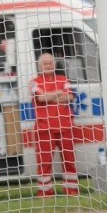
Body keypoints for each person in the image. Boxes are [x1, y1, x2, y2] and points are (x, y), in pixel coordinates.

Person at [30, 53, 79, 197]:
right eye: (45, 64)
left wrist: (50, 96)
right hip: (45, 127)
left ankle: (71, 190)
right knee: (44, 162)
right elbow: (41, 97)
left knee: (69, 160)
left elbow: (69, 96)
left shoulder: (64, 79)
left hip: (65, 125)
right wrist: (58, 93)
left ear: (55, 64)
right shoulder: (34, 82)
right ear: (39, 66)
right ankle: (45, 192)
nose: (48, 66)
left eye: (50, 63)